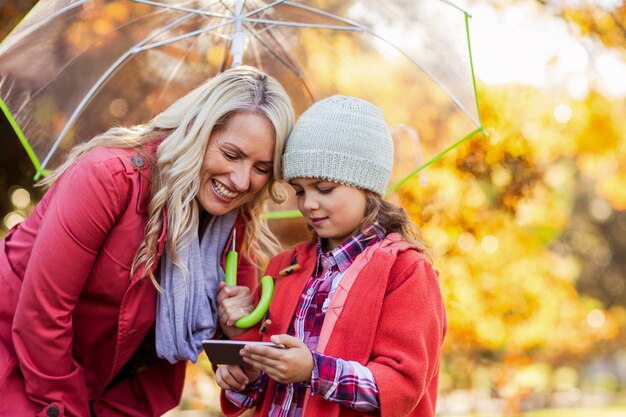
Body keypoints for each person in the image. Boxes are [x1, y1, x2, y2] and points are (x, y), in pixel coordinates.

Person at [0, 66, 294, 417]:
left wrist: (233, 332)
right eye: (231, 155)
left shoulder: (234, 224)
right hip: (21, 372)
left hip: (115, 396)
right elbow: (42, 313)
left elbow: (235, 368)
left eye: (261, 168)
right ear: (197, 133)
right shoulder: (108, 179)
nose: (242, 181)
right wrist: (66, 408)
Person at [215, 95, 447, 417]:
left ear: (365, 186)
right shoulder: (284, 268)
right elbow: (258, 388)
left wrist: (313, 370)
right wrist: (245, 374)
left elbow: (402, 387)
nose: (308, 203)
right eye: (299, 190)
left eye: (323, 188)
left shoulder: (405, 271)